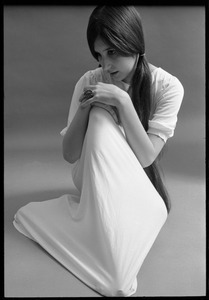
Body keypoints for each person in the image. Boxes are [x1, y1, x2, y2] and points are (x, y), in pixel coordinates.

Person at [13, 6, 184, 297]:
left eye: (113, 52)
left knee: (106, 116)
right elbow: (70, 155)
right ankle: (107, 253)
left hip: (137, 178)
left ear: (136, 45)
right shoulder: (89, 81)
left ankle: (113, 251)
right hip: (90, 174)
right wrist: (86, 106)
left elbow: (146, 158)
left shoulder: (167, 87)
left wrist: (122, 100)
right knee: (99, 117)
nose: (106, 64)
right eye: (99, 55)